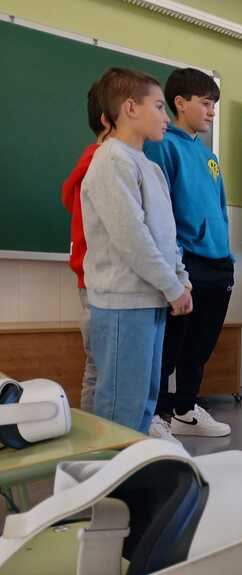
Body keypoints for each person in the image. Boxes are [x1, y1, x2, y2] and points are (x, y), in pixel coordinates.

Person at [82, 67, 192, 433]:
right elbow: (132, 238)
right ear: (130, 108)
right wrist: (172, 286)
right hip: (123, 305)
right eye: (159, 107)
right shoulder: (111, 160)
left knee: (143, 402)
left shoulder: (149, 166)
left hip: (150, 298)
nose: (166, 117)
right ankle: (109, 472)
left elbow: (165, 235)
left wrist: (180, 278)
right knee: (121, 409)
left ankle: (133, 466)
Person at [144, 68, 232, 440]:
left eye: (214, 104)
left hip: (219, 263)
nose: (212, 111)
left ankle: (185, 411)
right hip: (186, 262)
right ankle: (155, 414)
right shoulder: (162, 145)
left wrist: (227, 256)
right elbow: (159, 209)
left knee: (200, 346)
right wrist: (176, 263)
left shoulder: (208, 155)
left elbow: (221, 208)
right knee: (169, 345)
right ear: (180, 102)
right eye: (206, 103)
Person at [60, 81, 110, 413]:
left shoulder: (99, 162)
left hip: (97, 279)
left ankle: (103, 432)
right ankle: (99, 436)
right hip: (97, 280)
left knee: (100, 367)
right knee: (99, 369)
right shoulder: (100, 164)